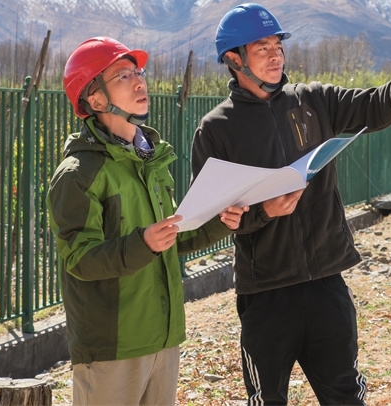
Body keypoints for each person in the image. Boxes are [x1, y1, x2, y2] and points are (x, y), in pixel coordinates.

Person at [191, 4, 391, 405]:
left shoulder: (314, 100)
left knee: (345, 396)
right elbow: (212, 216)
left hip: (326, 284)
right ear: (234, 59)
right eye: (262, 48)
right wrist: (264, 212)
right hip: (265, 294)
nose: (275, 55)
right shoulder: (216, 129)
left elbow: (373, 106)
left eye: (278, 45)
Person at [48, 36, 247, 406]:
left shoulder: (150, 160)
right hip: (112, 346)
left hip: (163, 337)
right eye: (123, 76)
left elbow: (171, 239)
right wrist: (142, 243)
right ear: (95, 99)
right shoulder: (79, 173)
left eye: (138, 72)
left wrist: (222, 221)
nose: (140, 81)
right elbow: (79, 258)